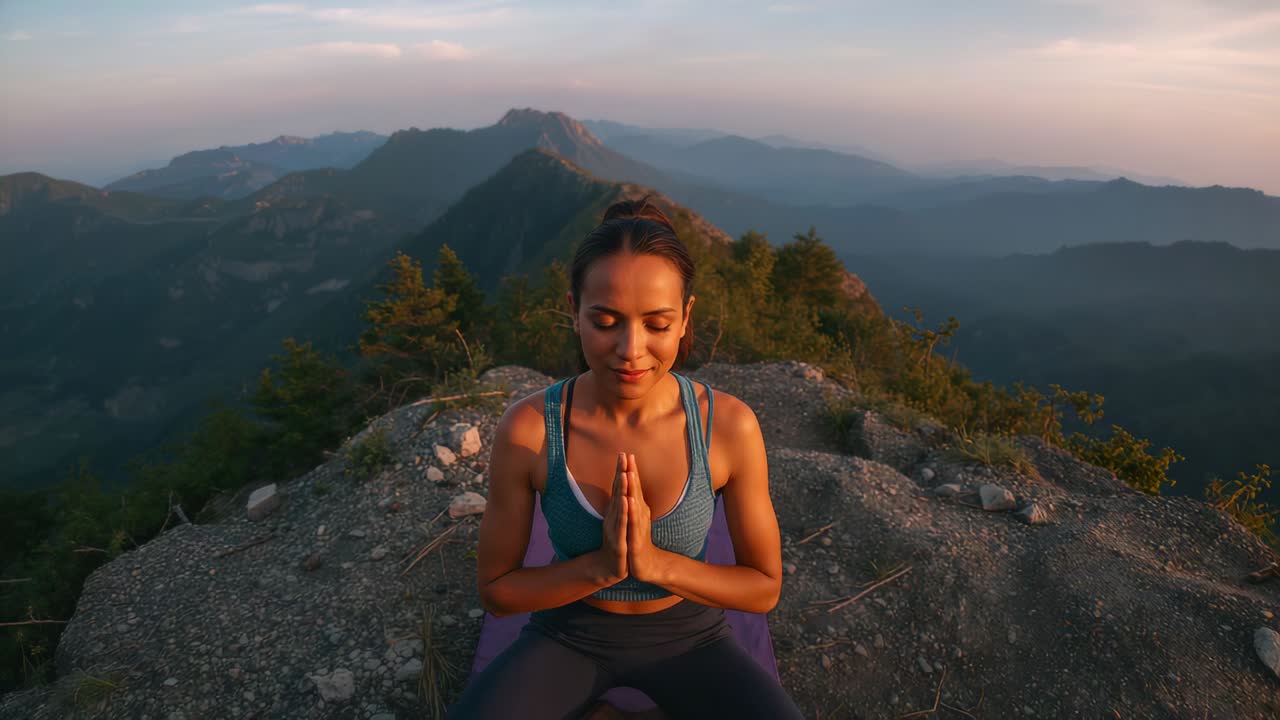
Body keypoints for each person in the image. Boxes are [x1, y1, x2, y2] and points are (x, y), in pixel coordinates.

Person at [448, 198, 804, 719]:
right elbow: (498, 591)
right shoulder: (530, 429)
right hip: (570, 630)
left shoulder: (726, 426)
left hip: (690, 636)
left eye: (657, 325)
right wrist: (600, 567)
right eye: (606, 321)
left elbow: (764, 587)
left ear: (686, 318)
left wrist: (657, 564)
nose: (631, 349)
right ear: (574, 312)